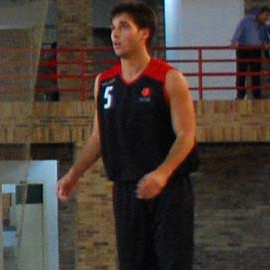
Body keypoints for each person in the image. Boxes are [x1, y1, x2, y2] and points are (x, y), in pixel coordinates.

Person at [56, 2, 198, 270]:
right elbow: (99, 137)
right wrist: (74, 173)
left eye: (123, 27)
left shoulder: (169, 78)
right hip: (126, 189)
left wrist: (162, 173)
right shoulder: (104, 82)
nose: (114, 35)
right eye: (112, 28)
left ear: (144, 32)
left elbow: (186, 136)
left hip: (169, 189)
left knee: (173, 262)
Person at [231, 6, 270, 99]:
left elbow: (264, 37)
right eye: (266, 15)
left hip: (256, 50)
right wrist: (234, 41)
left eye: (268, 16)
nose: (267, 18)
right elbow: (239, 30)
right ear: (260, 13)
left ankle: (257, 95)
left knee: (255, 73)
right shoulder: (247, 20)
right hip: (243, 48)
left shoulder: (263, 25)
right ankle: (240, 95)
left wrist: (266, 45)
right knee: (241, 72)